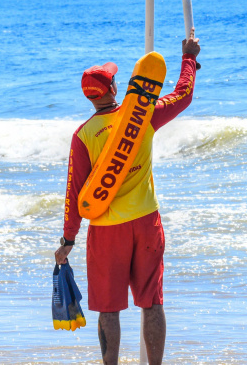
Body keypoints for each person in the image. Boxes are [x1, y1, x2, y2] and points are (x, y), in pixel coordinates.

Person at [55, 31, 201, 365]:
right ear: (114, 89)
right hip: (146, 222)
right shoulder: (143, 115)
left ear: (89, 97)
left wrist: (68, 239)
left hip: (106, 231)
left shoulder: (83, 136)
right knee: (152, 302)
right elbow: (183, 95)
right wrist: (189, 59)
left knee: (109, 309)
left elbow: (74, 194)